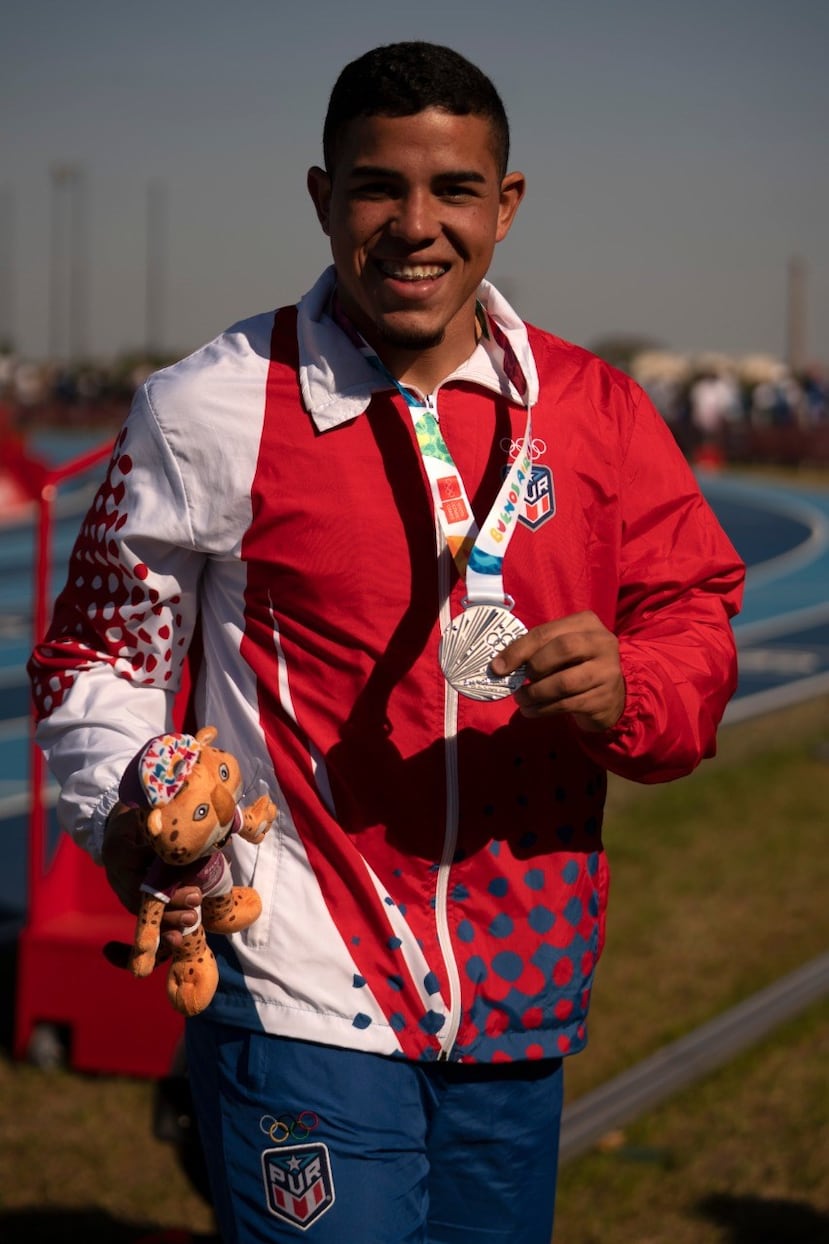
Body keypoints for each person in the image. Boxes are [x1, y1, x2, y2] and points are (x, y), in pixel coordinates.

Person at [29, 41, 745, 1244]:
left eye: (454, 189)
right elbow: (98, 658)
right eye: (378, 187)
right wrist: (132, 803)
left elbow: (693, 611)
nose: (416, 225)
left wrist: (635, 684)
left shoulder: (595, 408)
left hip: (525, 981)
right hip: (298, 981)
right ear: (323, 196)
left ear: (504, 205)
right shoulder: (209, 405)